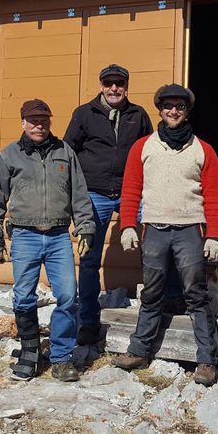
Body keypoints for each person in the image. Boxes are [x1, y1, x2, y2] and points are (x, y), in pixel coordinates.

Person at [111, 84, 218, 387]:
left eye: (180, 107)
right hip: (154, 230)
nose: (174, 111)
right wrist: (128, 226)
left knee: (196, 296)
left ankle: (207, 360)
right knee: (151, 293)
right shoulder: (143, 147)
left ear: (188, 111)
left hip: (190, 230)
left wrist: (214, 236)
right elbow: (131, 189)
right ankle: (139, 351)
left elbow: (214, 197)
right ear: (159, 110)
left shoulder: (204, 150)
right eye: (168, 106)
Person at [0, 98, 95, 382]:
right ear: (23, 123)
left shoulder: (65, 152)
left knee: (69, 297)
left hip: (59, 236)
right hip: (24, 235)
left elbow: (79, 195)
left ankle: (60, 358)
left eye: (44, 120)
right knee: (23, 297)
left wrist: (85, 227)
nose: (39, 125)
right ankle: (30, 351)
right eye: (33, 120)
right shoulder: (9, 155)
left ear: (49, 122)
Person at [64, 64, 155, 345]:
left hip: (132, 192)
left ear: (126, 86)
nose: (114, 88)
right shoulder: (84, 113)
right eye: (109, 83)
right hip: (95, 194)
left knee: (157, 245)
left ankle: (158, 308)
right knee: (90, 257)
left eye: (119, 83)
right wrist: (73, 193)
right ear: (101, 85)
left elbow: (151, 150)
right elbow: (68, 151)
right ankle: (88, 320)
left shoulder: (138, 114)